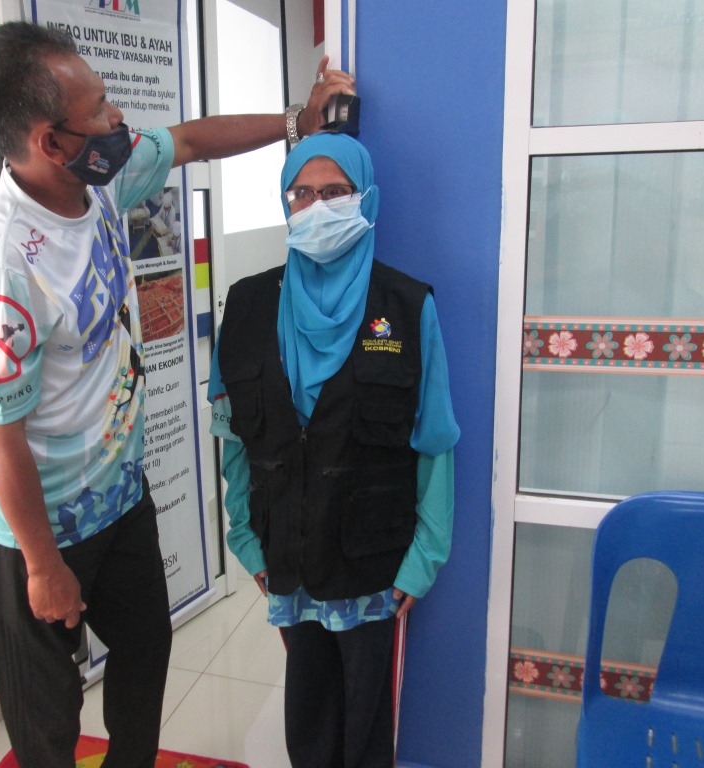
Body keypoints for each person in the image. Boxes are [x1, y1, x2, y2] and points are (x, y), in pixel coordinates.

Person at [0, 21, 355, 768]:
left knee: (145, 649)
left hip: (117, 493)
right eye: (99, 110)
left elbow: (192, 141)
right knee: (47, 713)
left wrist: (296, 123)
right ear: (50, 142)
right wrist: (42, 567)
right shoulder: (5, 268)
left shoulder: (97, 177)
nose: (118, 119)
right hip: (38, 522)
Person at [208, 132, 460, 768]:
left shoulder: (407, 306)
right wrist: (246, 539)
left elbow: (435, 442)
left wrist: (424, 560)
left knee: (367, 728)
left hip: (375, 564)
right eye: (301, 194)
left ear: (365, 198)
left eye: (335, 192)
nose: (316, 208)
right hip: (286, 557)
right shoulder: (248, 303)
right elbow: (233, 438)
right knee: (309, 714)